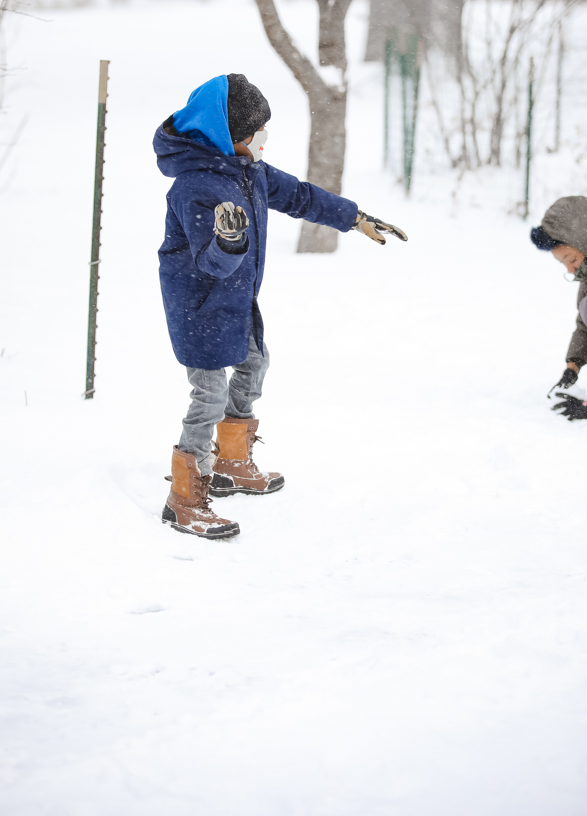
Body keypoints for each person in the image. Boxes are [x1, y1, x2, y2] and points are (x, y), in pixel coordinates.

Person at [154, 73, 407, 539]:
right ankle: (184, 497)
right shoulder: (194, 187)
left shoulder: (247, 171)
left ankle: (231, 462)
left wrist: (354, 218)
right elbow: (210, 263)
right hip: (200, 306)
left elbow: (300, 195)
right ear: (228, 136)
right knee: (208, 395)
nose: (262, 142)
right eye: (256, 134)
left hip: (237, 299)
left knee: (255, 364)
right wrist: (229, 243)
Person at [531, 195, 587, 421]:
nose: (570, 270)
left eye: (571, 259)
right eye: (564, 263)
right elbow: (584, 325)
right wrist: (573, 367)